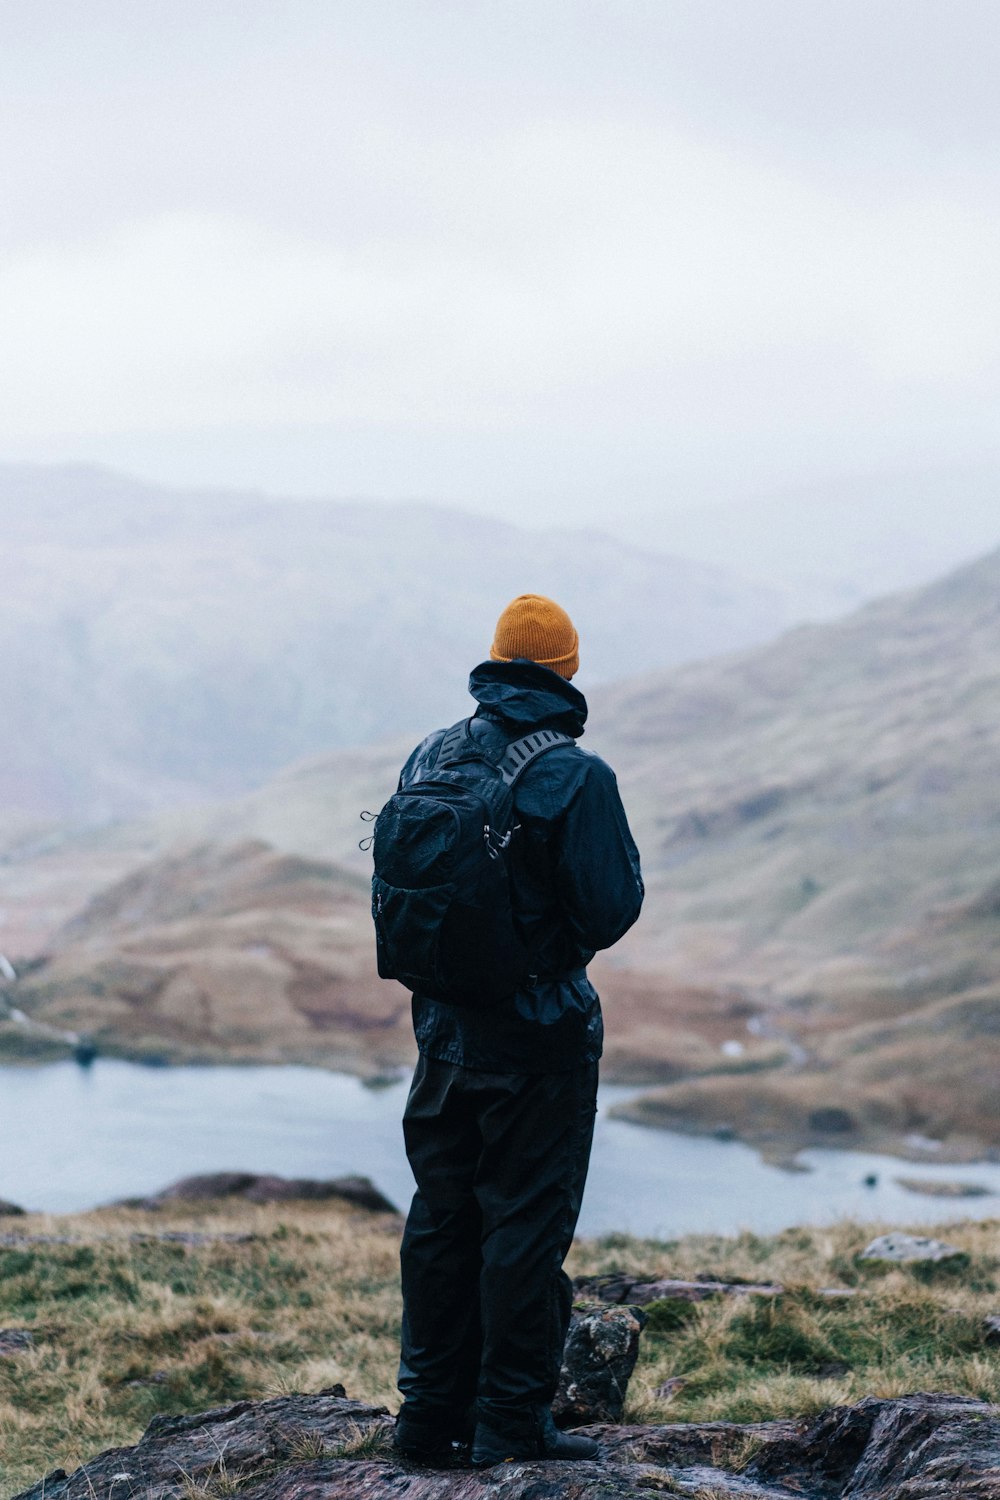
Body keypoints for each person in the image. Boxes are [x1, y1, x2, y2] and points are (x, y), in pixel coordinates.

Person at [391, 593, 643, 1467]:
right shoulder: (577, 775)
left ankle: (424, 1420)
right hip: (540, 1039)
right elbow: (611, 910)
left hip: (443, 1033)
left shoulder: (433, 752)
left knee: (442, 1219)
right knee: (523, 1229)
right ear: (567, 671)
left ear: (495, 661)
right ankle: (508, 1427)